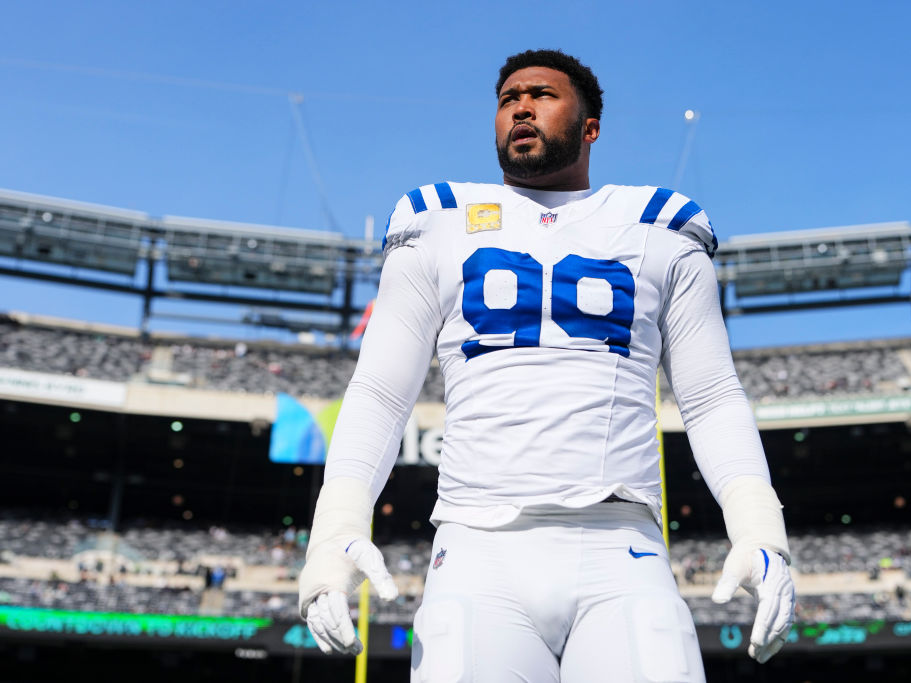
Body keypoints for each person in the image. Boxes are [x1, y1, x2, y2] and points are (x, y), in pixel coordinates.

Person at [299, 49, 795, 682]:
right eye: (508, 99)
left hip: (623, 545)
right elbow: (378, 393)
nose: (521, 108)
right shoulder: (437, 220)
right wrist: (335, 528)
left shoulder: (659, 226)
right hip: (478, 548)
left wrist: (757, 525)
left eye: (541, 95)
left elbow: (711, 396)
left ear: (590, 126)